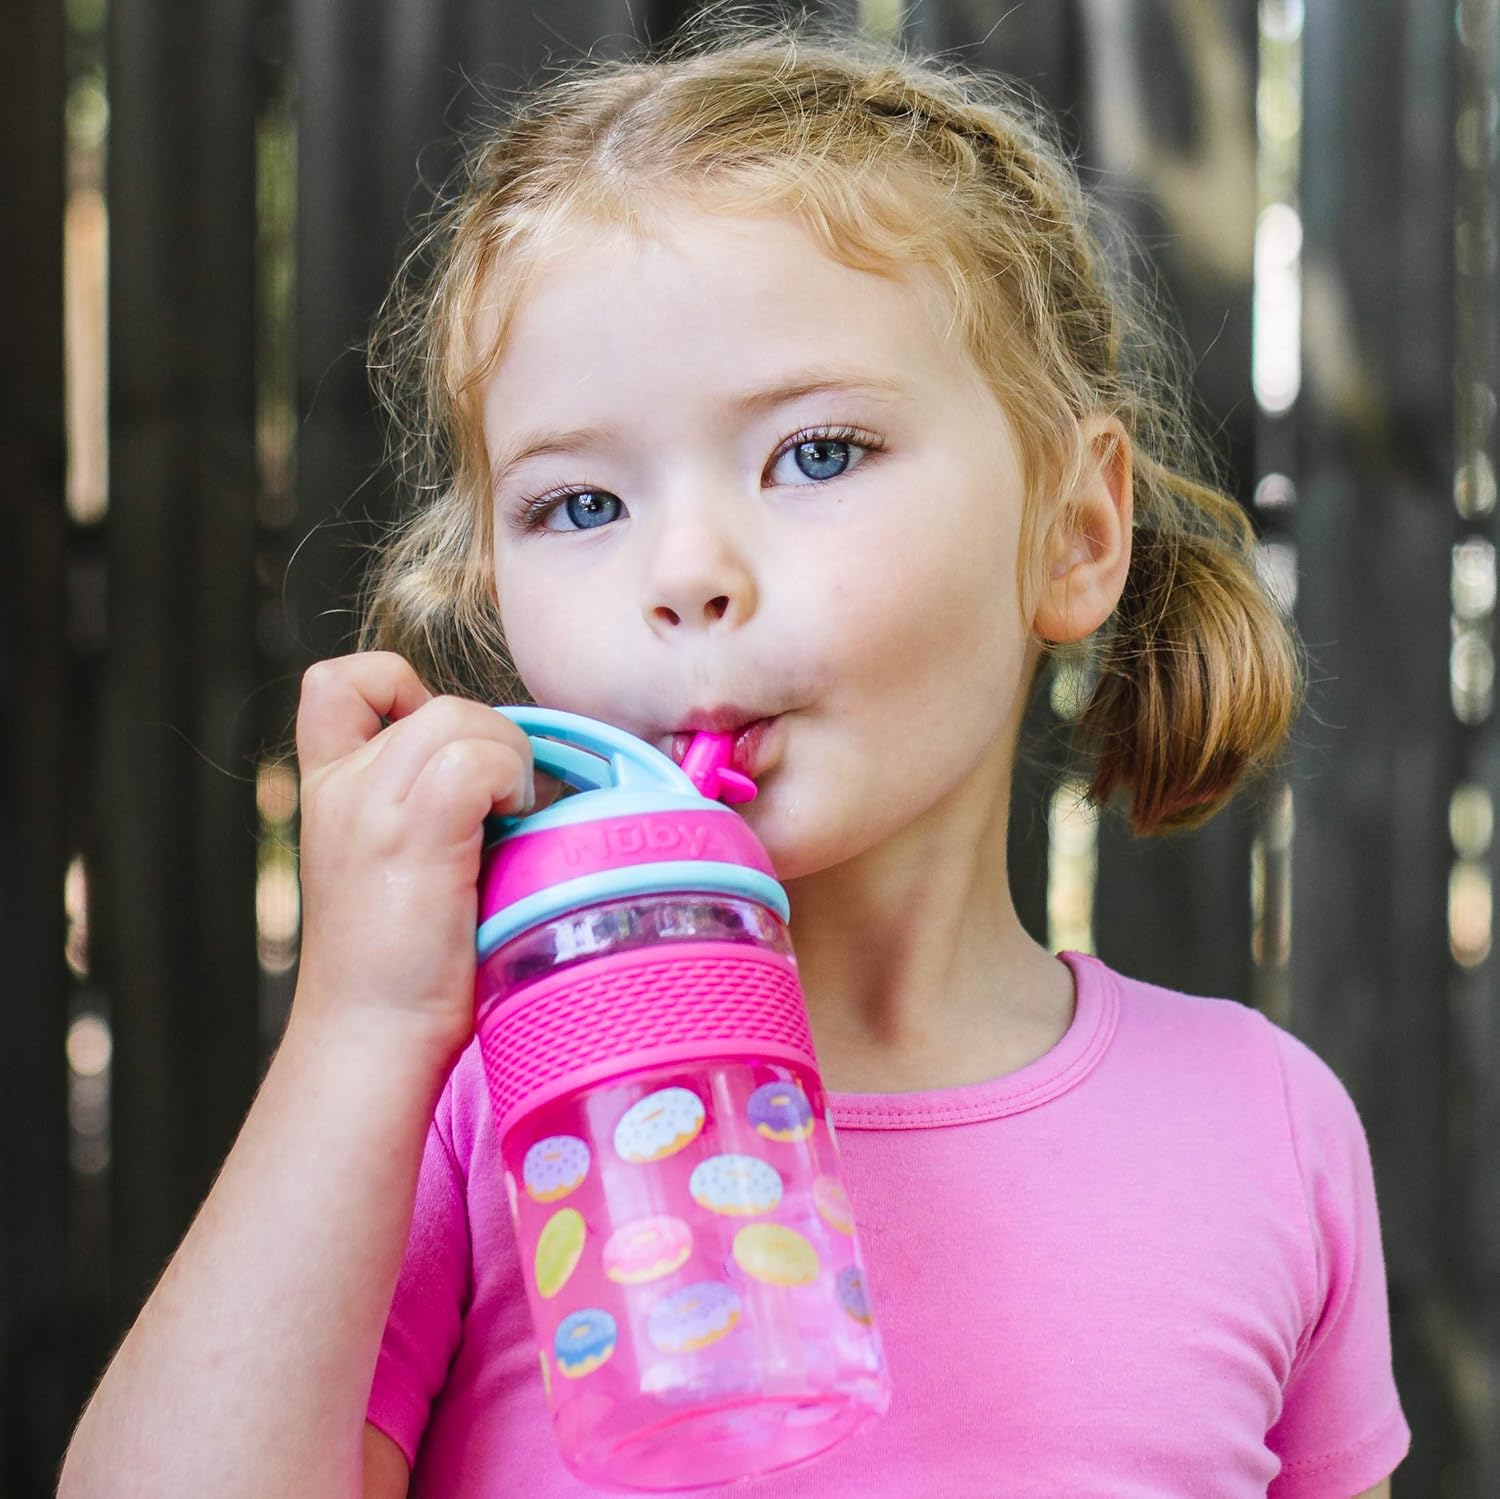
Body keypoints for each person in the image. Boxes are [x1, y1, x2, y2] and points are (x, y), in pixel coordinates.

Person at [59, 14, 1410, 1499]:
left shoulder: (1260, 1129)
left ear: (1075, 530)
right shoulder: (484, 1115)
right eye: (580, 505)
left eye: (816, 454)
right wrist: (358, 1033)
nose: (687, 570)